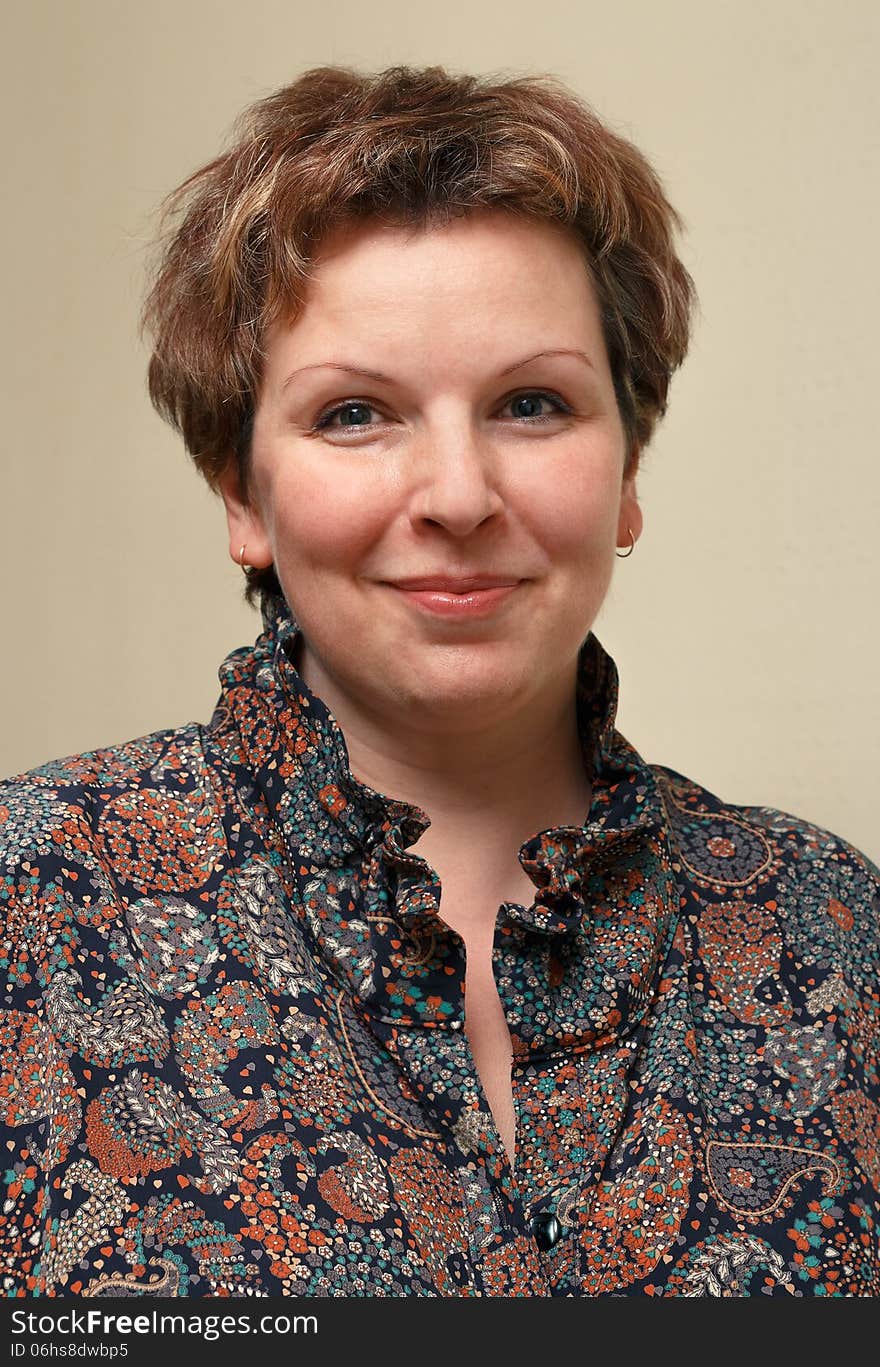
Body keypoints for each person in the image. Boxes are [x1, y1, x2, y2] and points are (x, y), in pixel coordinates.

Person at [1, 63, 877, 1300]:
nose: (459, 495)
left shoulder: (832, 933)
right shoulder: (30, 903)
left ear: (627, 468)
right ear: (241, 492)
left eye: (532, 403)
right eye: (356, 414)